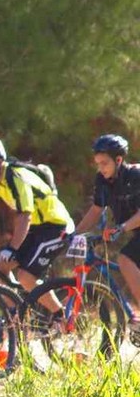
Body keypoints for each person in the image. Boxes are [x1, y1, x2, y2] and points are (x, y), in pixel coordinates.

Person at [0, 139, 73, 314]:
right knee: (1, 268)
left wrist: (13, 248)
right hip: (37, 228)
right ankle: (17, 319)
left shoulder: (15, 176)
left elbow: (24, 216)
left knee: (25, 276)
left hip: (56, 226)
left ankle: (61, 317)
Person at [75, 134, 140, 331]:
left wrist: (121, 228)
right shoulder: (103, 181)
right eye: (97, 164)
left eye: (104, 163)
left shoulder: (135, 176)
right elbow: (96, 210)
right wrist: (75, 234)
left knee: (125, 260)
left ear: (119, 160)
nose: (100, 168)